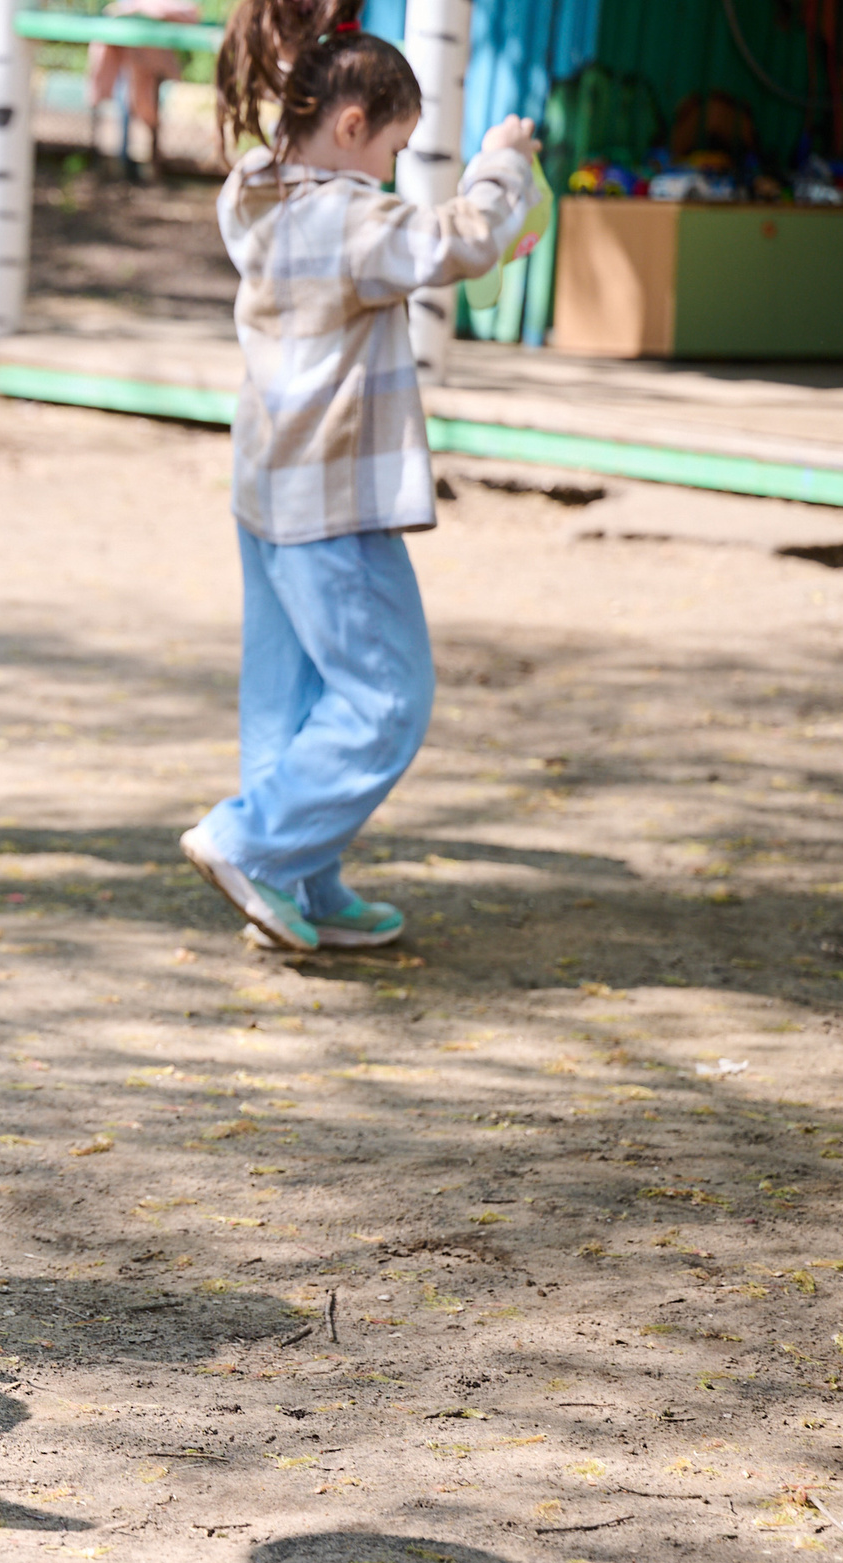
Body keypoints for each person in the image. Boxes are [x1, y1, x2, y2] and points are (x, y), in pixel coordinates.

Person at [178, 0, 539, 951]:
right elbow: (461, 240)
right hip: (334, 503)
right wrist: (503, 164)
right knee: (386, 699)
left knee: (287, 702)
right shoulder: (346, 220)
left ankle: (292, 877)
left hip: (266, 493)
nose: (390, 168)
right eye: (391, 148)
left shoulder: (254, 191)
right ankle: (252, 842)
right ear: (349, 128)